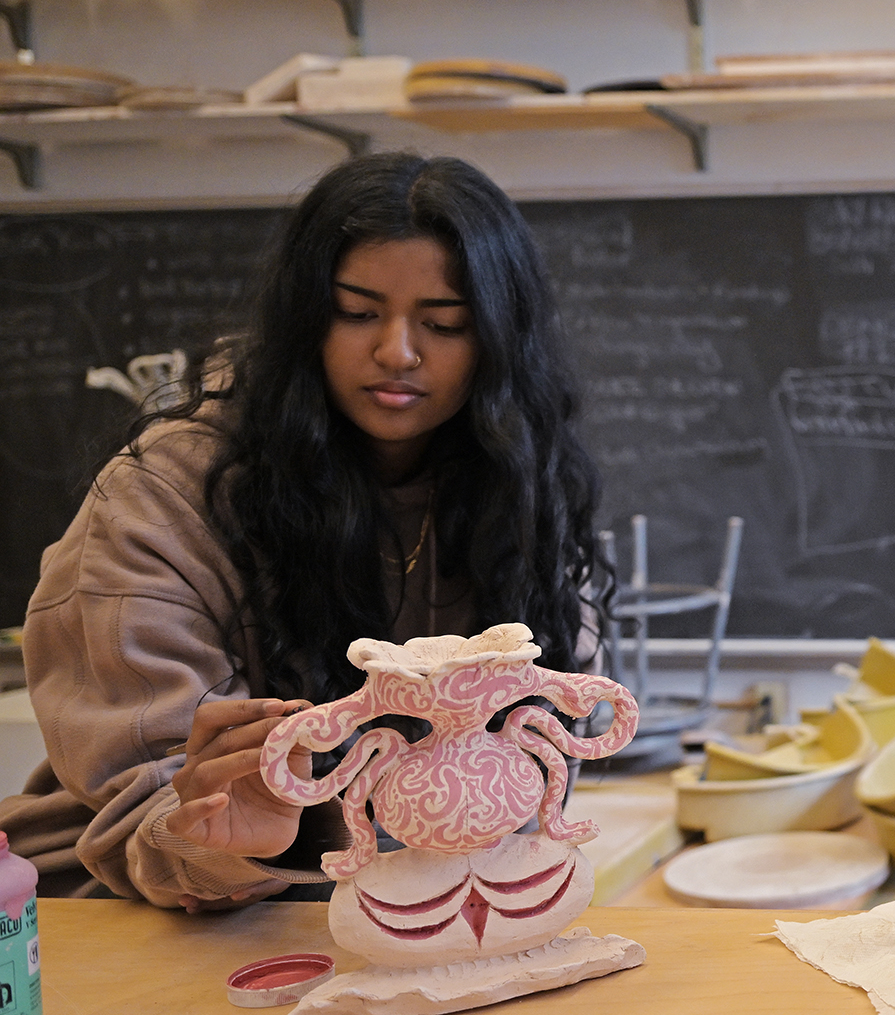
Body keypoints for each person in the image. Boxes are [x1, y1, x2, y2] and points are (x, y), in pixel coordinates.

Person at [0, 153, 605, 907]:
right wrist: (229, 833)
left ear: (498, 344)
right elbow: (153, 809)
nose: (397, 352)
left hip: (407, 901)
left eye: (445, 323)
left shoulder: (515, 482)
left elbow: (555, 720)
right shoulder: (166, 494)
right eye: (357, 313)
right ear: (304, 318)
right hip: (150, 916)